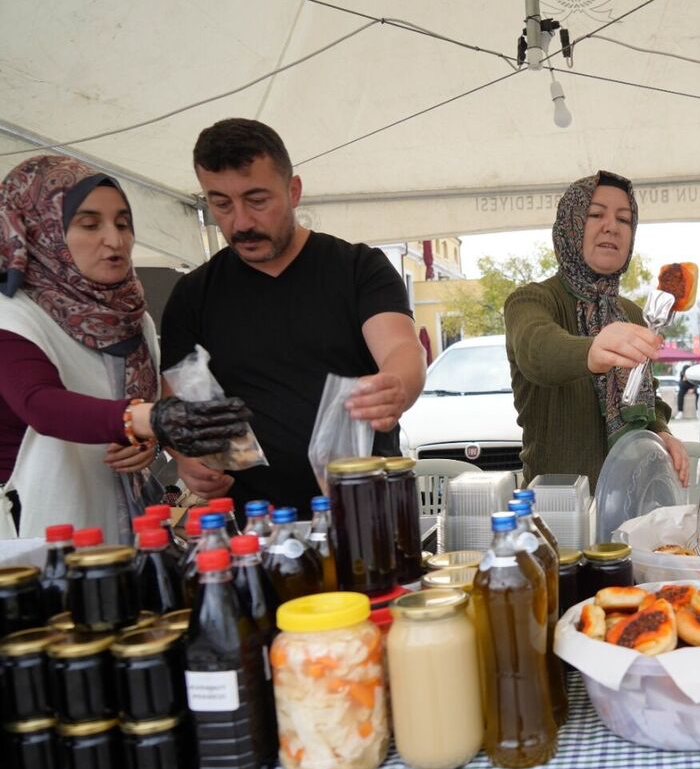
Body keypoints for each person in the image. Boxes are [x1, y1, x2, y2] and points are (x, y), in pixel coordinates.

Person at [161, 119, 425, 513]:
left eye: (257, 200)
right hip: (255, 527)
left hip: (365, 512)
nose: (241, 222)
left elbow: (403, 349)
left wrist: (396, 387)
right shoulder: (193, 294)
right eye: (221, 204)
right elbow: (175, 406)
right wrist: (184, 457)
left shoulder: (358, 268)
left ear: (294, 190)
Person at [0, 156, 250, 541]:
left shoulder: (132, 318)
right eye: (89, 224)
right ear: (38, 230)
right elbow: (41, 404)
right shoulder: (12, 315)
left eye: (123, 223)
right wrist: (152, 420)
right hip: (35, 533)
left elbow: (123, 416)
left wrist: (146, 444)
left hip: (126, 533)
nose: (115, 240)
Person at [504, 170, 688, 491]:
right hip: (559, 509)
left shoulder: (631, 313)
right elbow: (536, 350)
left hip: (634, 500)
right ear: (570, 224)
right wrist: (591, 351)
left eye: (625, 219)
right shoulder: (532, 300)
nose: (611, 226)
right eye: (595, 214)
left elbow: (646, 396)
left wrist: (661, 431)